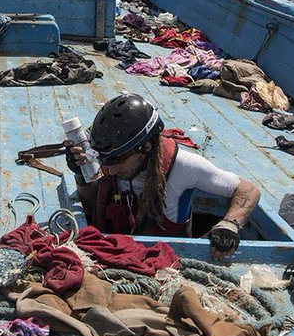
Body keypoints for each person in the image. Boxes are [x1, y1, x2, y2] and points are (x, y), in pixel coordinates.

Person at [65, 94, 261, 260]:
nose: (112, 170)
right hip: (109, 255)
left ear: (146, 147)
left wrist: (230, 223)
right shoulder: (111, 163)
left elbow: (248, 189)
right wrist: (81, 176)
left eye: (118, 160)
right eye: (106, 161)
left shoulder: (185, 167)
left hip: (166, 261)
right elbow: (90, 208)